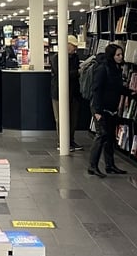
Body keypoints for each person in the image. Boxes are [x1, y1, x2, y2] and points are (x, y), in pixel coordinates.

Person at [89, 43, 128, 176]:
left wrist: (128, 92)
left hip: (112, 108)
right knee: (101, 135)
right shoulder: (102, 68)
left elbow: (115, 87)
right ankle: (92, 166)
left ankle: (110, 165)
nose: (120, 57)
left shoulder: (117, 69)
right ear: (111, 55)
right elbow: (97, 89)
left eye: (121, 54)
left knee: (110, 136)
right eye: (118, 55)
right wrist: (98, 111)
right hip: (101, 108)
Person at [49, 35, 83, 151]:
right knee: (61, 118)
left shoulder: (75, 57)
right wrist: (78, 72)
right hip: (59, 92)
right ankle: (62, 142)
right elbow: (62, 74)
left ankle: (71, 140)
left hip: (73, 92)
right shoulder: (56, 58)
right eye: (73, 46)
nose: (75, 49)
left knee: (73, 118)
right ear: (67, 45)